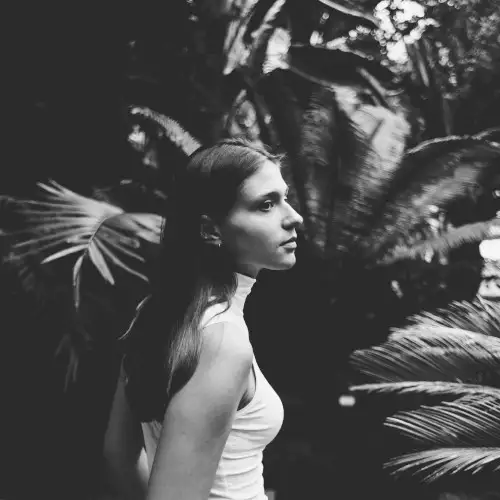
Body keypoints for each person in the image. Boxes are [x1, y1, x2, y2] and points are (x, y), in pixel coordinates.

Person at [102, 138, 303, 500]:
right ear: (211, 230)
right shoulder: (223, 342)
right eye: (266, 205)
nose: (293, 217)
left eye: (284, 198)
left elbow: (119, 455)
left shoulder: (156, 312)